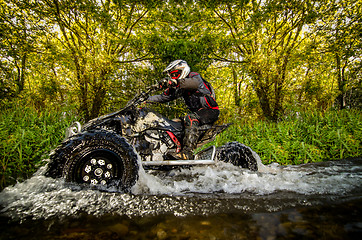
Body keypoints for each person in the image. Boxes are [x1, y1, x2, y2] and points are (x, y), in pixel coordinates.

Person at [147, 59, 219, 160]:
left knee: (190, 118)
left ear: (183, 70)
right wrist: (146, 99)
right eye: (172, 75)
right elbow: (163, 97)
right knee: (171, 123)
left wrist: (173, 82)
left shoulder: (193, 76)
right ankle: (172, 150)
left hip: (210, 110)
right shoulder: (178, 86)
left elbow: (194, 83)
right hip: (198, 113)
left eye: (176, 74)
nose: (173, 77)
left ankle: (187, 153)